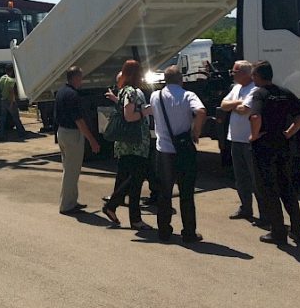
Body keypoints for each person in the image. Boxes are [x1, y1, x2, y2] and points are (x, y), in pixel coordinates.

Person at [246, 60, 300, 245]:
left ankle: (278, 232)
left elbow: (255, 116)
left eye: (253, 74)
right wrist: (290, 132)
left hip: (264, 145)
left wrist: (253, 135)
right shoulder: (284, 92)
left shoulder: (259, 94)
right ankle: (297, 229)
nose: (252, 78)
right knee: (286, 187)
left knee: (269, 189)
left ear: (258, 76)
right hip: (282, 143)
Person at [150, 65, 206, 243]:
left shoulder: (155, 96)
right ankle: (189, 232)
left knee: (164, 193)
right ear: (181, 80)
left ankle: (164, 231)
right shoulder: (188, 95)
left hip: (164, 151)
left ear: (165, 80)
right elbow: (201, 111)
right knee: (186, 193)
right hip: (184, 150)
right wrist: (196, 131)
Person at [101, 60, 153, 230]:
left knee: (129, 178)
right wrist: (145, 112)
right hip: (135, 143)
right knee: (136, 179)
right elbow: (129, 116)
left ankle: (123, 211)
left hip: (127, 143)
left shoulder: (124, 91)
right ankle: (120, 210)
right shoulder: (131, 92)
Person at [219, 60, 264, 222]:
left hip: (250, 140)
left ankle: (265, 213)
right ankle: (245, 208)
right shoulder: (236, 88)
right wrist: (237, 103)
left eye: (234, 72)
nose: (232, 75)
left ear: (245, 73)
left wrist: (235, 106)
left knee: (256, 178)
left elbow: (245, 110)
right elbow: (223, 105)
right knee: (240, 177)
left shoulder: (255, 89)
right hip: (235, 139)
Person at [55, 66, 100, 214]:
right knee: (72, 171)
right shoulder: (73, 95)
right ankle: (67, 205)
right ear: (74, 78)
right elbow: (79, 121)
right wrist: (92, 140)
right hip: (72, 135)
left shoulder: (61, 92)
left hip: (62, 132)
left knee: (69, 169)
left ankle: (71, 201)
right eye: (80, 77)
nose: (82, 80)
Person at [0, 65, 26, 140]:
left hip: (3, 99)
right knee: (16, 118)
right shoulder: (12, 81)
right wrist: (12, 103)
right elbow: (11, 92)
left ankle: (0, 133)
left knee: (2, 118)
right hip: (9, 100)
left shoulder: (2, 78)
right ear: (12, 71)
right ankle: (21, 132)